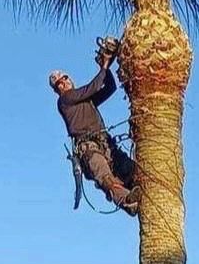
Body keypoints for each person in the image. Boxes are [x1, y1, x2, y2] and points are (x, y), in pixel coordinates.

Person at [49, 49, 139, 216]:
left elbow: (109, 87)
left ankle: (142, 191)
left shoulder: (85, 100)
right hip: (88, 148)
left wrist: (106, 67)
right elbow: (94, 86)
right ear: (57, 90)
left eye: (65, 79)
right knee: (105, 177)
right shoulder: (66, 100)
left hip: (105, 143)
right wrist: (104, 65)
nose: (63, 84)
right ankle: (128, 201)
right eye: (59, 84)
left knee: (130, 169)